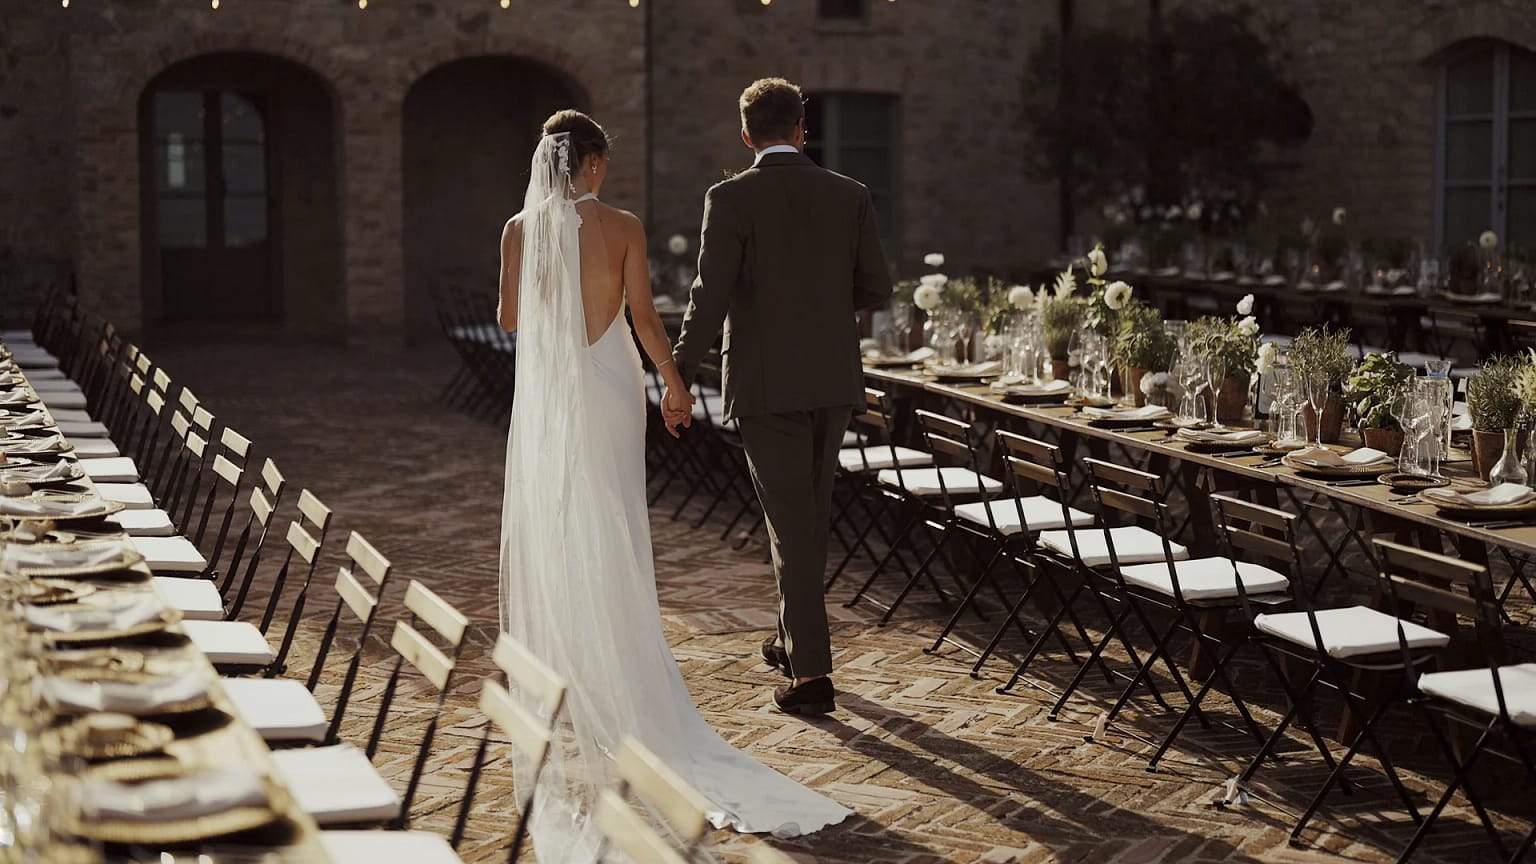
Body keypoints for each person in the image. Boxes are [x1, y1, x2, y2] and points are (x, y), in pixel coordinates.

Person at [497, 109, 851, 861]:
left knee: (563, 515)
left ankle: (571, 654)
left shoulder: (517, 230)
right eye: (603, 162)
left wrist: (554, 324)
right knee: (618, 518)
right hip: (610, 382)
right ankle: (621, 652)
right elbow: (644, 318)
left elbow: (508, 318)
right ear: (590, 162)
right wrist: (673, 384)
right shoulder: (622, 225)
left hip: (556, 386)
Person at [666, 78, 893, 715]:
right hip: (832, 378)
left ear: (746, 136)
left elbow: (709, 296)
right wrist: (819, 304)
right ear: (801, 128)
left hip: (766, 381)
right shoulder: (850, 193)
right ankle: (793, 639)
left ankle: (811, 676)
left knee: (793, 523)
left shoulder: (729, 197)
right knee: (806, 518)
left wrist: (678, 372)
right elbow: (876, 286)